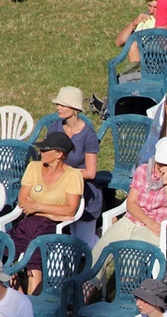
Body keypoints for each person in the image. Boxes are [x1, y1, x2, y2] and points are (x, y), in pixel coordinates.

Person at [84, 137, 167, 298]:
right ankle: (84, 295)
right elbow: (131, 203)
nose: (163, 167)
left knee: (131, 251)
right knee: (102, 249)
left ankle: (126, 296)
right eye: (161, 163)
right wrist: (146, 220)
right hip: (134, 220)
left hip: (158, 227)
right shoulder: (143, 170)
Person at [9, 132, 84, 294]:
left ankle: (35, 305)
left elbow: (70, 209)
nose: (40, 152)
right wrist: (50, 211)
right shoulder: (33, 167)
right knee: (3, 251)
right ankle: (20, 299)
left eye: (44, 150)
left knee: (35, 258)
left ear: (59, 154)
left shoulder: (73, 175)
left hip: (54, 226)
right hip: (28, 222)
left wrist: (37, 207)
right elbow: (23, 200)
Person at [47, 87, 101, 249]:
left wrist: (64, 174)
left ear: (75, 108)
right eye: (58, 104)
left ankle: (102, 237)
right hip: (60, 192)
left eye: (63, 105)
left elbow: (91, 172)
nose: (58, 108)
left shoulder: (88, 135)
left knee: (85, 247)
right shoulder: (55, 128)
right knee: (68, 243)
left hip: (85, 193)